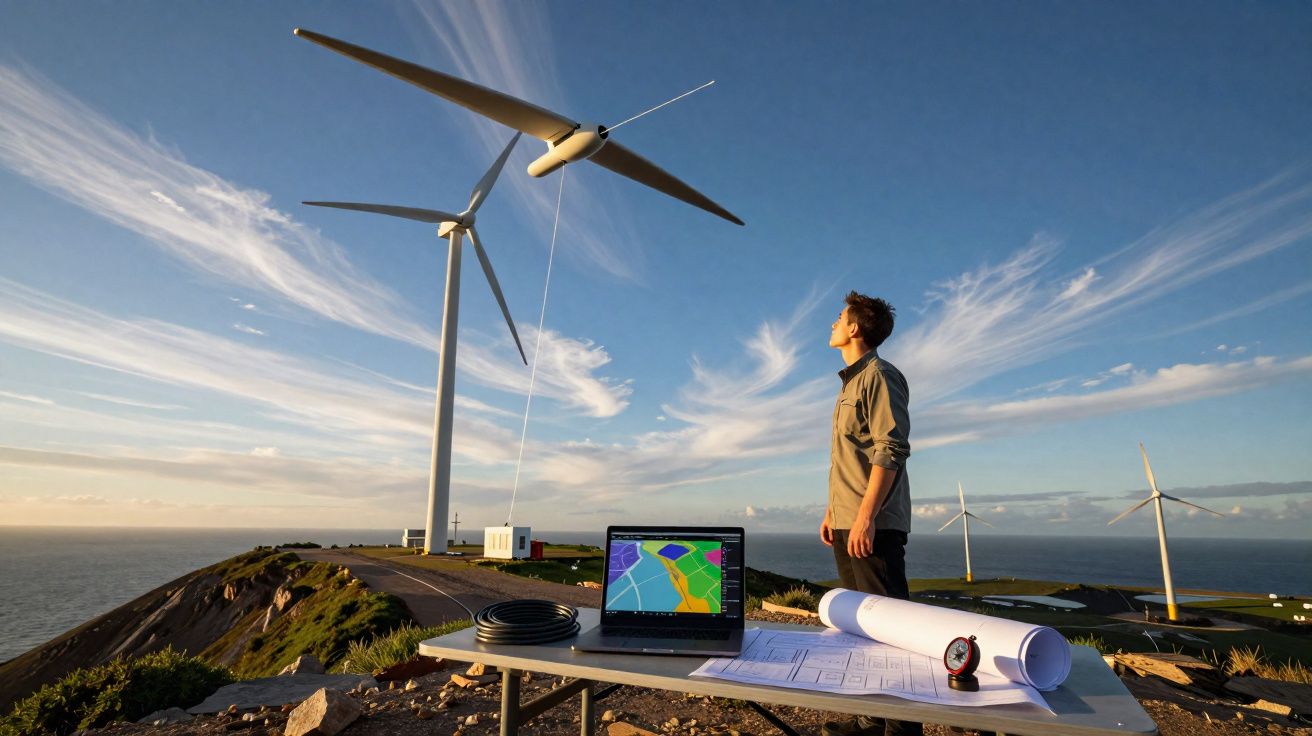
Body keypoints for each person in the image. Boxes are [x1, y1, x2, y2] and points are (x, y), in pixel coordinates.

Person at [820, 291, 919, 736]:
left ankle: (903, 728)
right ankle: (870, 718)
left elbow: (891, 449)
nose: (834, 324)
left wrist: (864, 518)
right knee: (860, 628)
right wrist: (833, 511)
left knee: (892, 631)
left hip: (871, 525)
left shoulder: (880, 376)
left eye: (840, 318)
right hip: (848, 520)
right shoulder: (850, 382)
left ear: (855, 329)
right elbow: (849, 458)